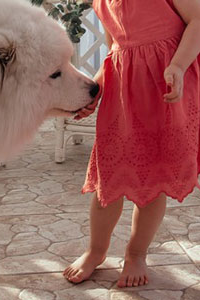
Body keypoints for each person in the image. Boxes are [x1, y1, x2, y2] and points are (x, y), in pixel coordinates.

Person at [64, 0, 200, 288]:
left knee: (152, 179)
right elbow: (116, 49)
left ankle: (136, 253)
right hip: (125, 94)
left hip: (167, 89)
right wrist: (97, 88)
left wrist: (177, 65)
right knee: (108, 180)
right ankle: (96, 251)